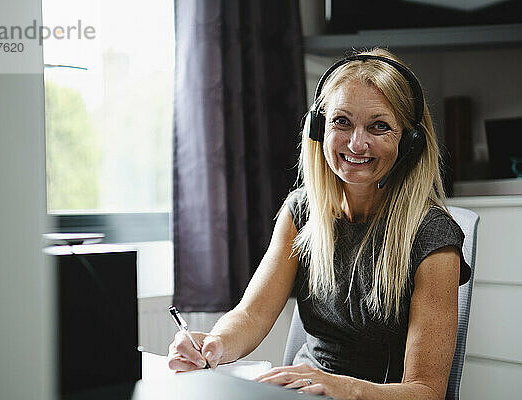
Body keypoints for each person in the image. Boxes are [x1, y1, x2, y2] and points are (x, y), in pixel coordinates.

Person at [167, 48, 471, 400]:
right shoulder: (302, 213)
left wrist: (344, 387)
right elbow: (251, 314)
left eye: (379, 126)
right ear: (318, 128)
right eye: (342, 121)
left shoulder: (432, 236)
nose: (356, 143)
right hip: (305, 393)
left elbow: (426, 392)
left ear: (410, 143)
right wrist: (214, 345)